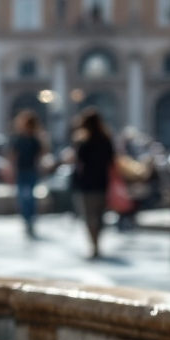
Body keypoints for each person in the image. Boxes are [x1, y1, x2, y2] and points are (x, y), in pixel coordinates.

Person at [72, 108, 115, 260]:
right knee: (99, 215)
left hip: (86, 183)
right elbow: (112, 161)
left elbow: (78, 162)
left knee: (89, 216)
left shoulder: (83, 141)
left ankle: (94, 245)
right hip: (102, 182)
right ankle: (97, 244)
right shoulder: (106, 139)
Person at [10, 110, 47, 238]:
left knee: (30, 197)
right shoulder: (18, 139)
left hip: (31, 170)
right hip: (21, 170)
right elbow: (13, 155)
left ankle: (31, 219)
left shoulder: (35, 139)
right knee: (22, 197)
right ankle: (26, 219)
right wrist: (12, 169)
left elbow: (41, 155)